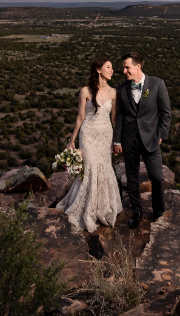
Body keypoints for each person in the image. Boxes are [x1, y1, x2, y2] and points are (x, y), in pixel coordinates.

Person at [56, 57, 123, 232]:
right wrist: (72, 140)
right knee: (90, 168)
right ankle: (88, 208)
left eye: (112, 68)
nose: (112, 70)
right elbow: (80, 117)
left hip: (105, 135)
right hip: (88, 135)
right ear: (98, 70)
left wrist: (118, 140)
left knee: (104, 167)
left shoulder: (114, 93)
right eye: (108, 67)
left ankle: (102, 207)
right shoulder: (85, 91)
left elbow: (115, 119)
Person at [113, 52, 171, 229]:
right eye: (123, 67)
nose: (124, 71)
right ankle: (136, 212)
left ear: (138, 66)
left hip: (151, 140)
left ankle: (159, 212)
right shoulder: (122, 88)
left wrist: (161, 135)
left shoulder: (157, 84)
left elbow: (165, 113)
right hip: (129, 140)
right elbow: (120, 116)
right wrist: (117, 141)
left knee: (157, 177)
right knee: (132, 178)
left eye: (127, 67)